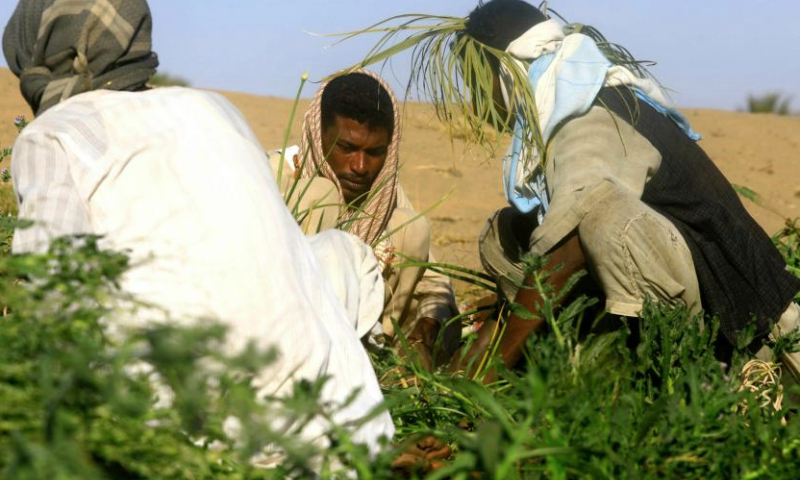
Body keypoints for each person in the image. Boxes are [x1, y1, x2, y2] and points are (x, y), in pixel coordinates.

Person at [2, 0, 395, 460]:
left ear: (38, 50)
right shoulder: (216, 107)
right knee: (337, 251)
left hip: (193, 417)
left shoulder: (51, 135)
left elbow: (58, 287)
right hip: (327, 414)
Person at [445, 0, 800, 381]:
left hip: (741, 325)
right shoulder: (569, 102)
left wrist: (485, 373)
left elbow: (566, 246)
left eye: (478, 84)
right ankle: (572, 359)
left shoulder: (588, 117)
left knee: (603, 218)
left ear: (505, 73)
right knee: (507, 232)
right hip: (682, 280)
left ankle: (675, 377)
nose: (476, 100)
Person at [269, 71, 461, 367]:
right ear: (318, 136)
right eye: (346, 148)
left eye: (374, 152)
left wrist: (426, 332)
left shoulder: (383, 190)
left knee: (410, 228)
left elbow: (435, 285)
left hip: (364, 349)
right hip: (280, 332)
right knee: (320, 196)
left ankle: (380, 366)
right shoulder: (275, 177)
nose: (360, 167)